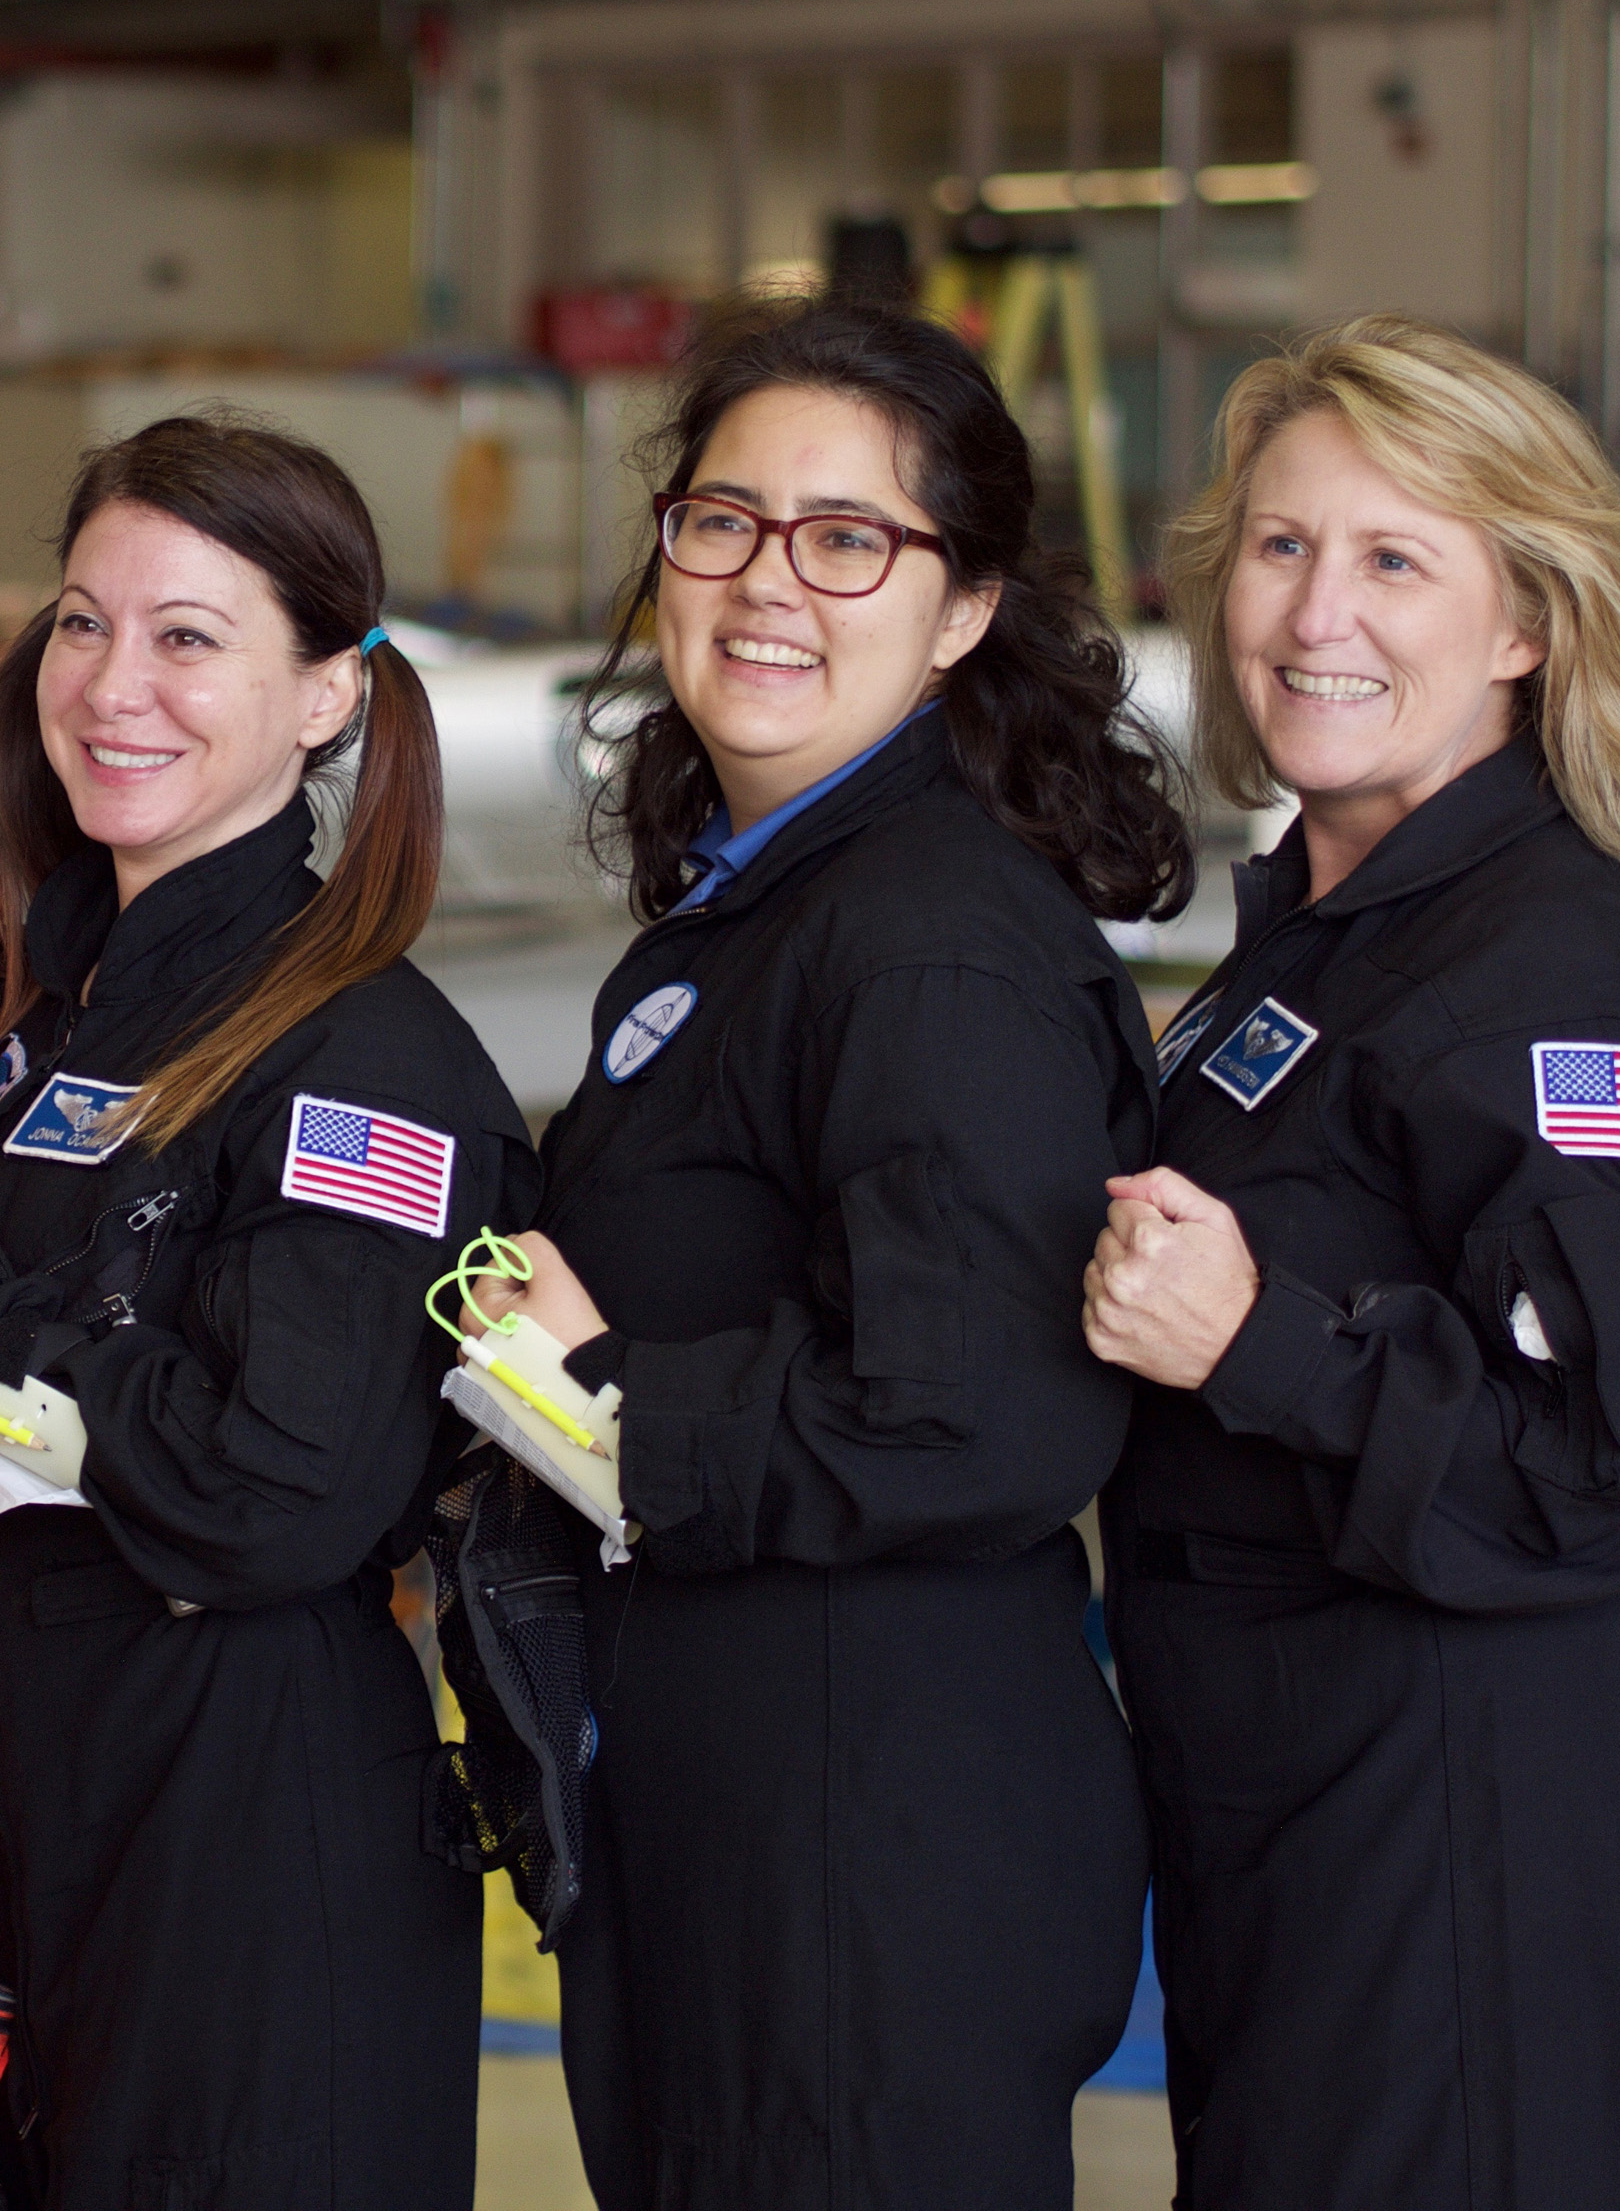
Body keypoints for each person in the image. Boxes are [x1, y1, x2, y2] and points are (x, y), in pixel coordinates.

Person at [457, 299, 1188, 2209]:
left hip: (870, 1866)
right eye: (725, 522)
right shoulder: (769, 906)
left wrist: (594, 1402)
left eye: (849, 538)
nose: (770, 582)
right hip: (747, 1827)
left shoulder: (928, 948)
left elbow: (977, 1421)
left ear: (961, 612)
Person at [0, 415, 533, 2211]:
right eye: (84, 622)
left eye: (192, 637)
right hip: (46, 1828)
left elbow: (277, 1494)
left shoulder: (363, 1062)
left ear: (329, 696)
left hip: (259, 1859)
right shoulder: (34, 1032)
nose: (117, 685)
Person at [1081, 315, 1620, 2211]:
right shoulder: (1316, 935)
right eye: (1279, 549)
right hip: (1273, 1805)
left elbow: (1595, 1475)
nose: (1313, 616)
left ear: (1524, 623)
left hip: (1445, 1827)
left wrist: (1257, 1342)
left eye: (1392, 560)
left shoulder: (1565, 973)